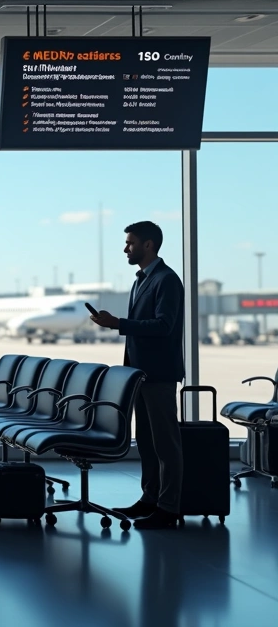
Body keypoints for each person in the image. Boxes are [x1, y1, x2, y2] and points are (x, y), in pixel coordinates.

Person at [92, 220, 184, 530]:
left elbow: (163, 326)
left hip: (158, 374)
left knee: (165, 443)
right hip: (140, 374)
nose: (125, 248)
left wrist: (118, 323)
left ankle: (169, 508)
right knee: (145, 440)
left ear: (148, 245)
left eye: (130, 243)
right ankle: (150, 498)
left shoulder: (166, 280)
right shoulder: (141, 280)